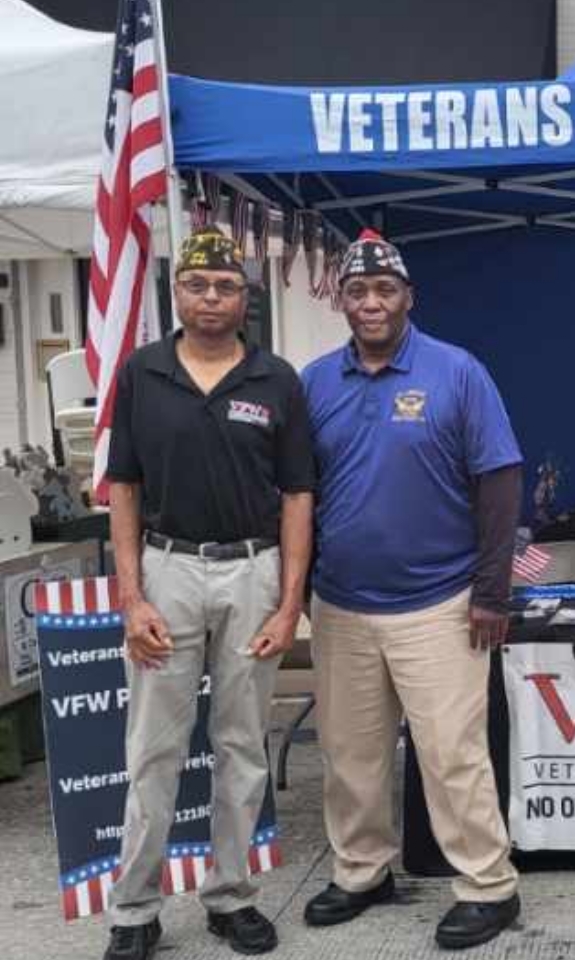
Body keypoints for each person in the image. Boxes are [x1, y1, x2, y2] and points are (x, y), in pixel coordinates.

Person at [300, 230, 525, 951]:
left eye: (384, 289)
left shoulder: (456, 372)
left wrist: (492, 592)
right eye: (357, 291)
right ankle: (362, 871)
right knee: (350, 755)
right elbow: (296, 494)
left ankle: (489, 886)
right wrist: (298, 592)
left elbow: (499, 482)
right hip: (341, 603)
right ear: (341, 301)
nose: (371, 302)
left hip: (441, 603)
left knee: (452, 755)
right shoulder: (314, 382)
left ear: (408, 297)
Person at [103, 226, 315, 959]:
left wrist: (289, 604)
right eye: (197, 285)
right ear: (177, 292)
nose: (212, 298)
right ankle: (135, 909)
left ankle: (231, 897)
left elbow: (298, 495)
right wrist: (132, 598)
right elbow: (123, 488)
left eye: (226, 286)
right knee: (153, 749)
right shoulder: (142, 373)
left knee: (242, 746)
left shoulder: (275, 379)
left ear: (245, 297)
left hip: (253, 572)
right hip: (167, 569)